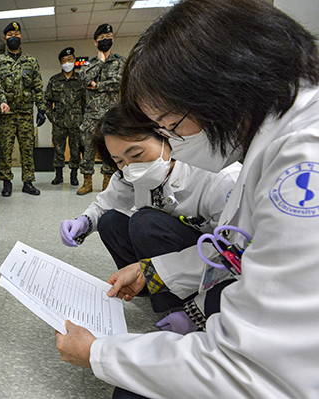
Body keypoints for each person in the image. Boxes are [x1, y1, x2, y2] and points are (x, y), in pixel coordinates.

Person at [55, 0, 319, 397]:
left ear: (224, 88)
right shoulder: (270, 145)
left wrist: (99, 354)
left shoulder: (301, 163)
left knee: (131, 387)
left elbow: (249, 368)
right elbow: (233, 249)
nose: (175, 142)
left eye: (172, 126)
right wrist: (152, 270)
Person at [60, 102, 241, 316]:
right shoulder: (130, 172)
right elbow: (106, 204)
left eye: (136, 154)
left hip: (211, 258)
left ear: (165, 136)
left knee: (145, 222)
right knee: (110, 221)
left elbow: (233, 254)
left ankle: (177, 303)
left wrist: (198, 311)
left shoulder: (221, 178)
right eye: (119, 161)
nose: (130, 167)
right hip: (172, 247)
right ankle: (146, 285)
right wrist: (83, 222)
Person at [0, 21, 45, 197]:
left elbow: (38, 86)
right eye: (9, 35)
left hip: (25, 114)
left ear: (21, 36)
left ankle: (28, 182)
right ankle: (7, 183)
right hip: (6, 115)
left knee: (27, 149)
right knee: (6, 150)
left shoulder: (31, 61)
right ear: (5, 38)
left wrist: (42, 109)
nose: (13, 38)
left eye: (16, 34)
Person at [76, 23, 126, 195]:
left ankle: (107, 182)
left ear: (113, 39)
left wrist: (97, 85)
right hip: (91, 115)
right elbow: (83, 79)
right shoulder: (89, 64)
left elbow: (118, 82)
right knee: (88, 149)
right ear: (95, 43)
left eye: (108, 37)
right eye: (101, 39)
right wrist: (100, 62)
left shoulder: (120, 62)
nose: (106, 41)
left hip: (111, 115)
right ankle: (87, 182)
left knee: (110, 149)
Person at [44, 47, 85, 186]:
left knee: (75, 150)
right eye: (64, 60)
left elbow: (87, 102)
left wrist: (83, 120)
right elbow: (46, 102)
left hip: (76, 123)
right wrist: (52, 118)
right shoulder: (54, 80)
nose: (67, 63)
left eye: (70, 60)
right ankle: (59, 175)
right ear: (60, 63)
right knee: (58, 150)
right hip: (59, 123)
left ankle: (74, 176)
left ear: (74, 60)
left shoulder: (81, 80)